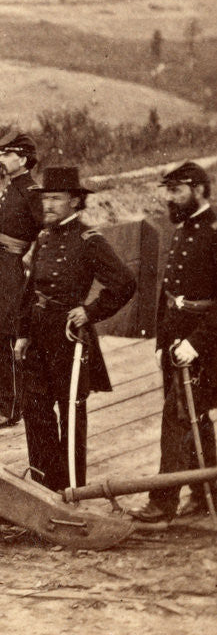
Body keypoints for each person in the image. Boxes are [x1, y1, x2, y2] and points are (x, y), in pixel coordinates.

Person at [14, 166, 135, 492]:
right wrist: (23, 333)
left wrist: (90, 311)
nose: (48, 204)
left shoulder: (89, 240)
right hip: (38, 332)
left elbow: (124, 283)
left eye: (56, 198)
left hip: (68, 335)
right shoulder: (43, 237)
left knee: (71, 413)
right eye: (46, 198)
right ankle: (41, 486)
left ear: (75, 202)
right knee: (35, 410)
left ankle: (70, 490)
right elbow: (30, 291)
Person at [130, 161, 217, 523]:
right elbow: (170, 292)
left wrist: (195, 343)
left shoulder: (213, 232)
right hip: (175, 341)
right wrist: (160, 342)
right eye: (168, 190)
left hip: (204, 344)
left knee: (176, 417)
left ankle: (162, 502)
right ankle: (206, 492)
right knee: (193, 417)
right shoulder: (183, 229)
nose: (171, 198)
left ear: (198, 189)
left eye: (177, 190)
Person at [0, 130, 43, 429]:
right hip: (4, 267)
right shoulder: (13, 188)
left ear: (23, 159)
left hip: (17, 272)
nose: (0, 159)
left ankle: (11, 408)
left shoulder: (32, 192)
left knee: (11, 336)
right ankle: (5, 401)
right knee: (2, 334)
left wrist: (29, 259)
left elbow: (44, 233)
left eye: (7, 154)